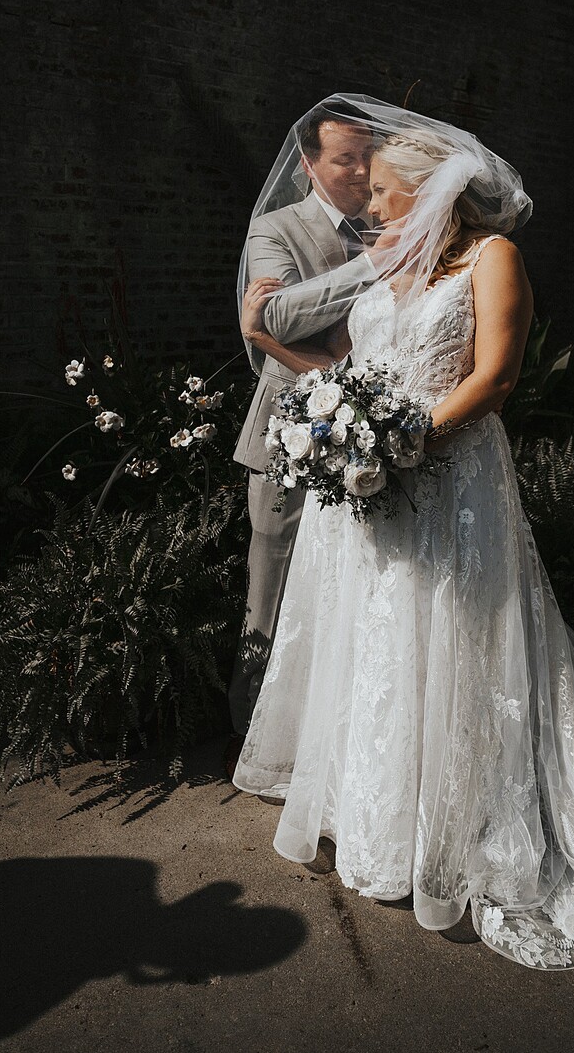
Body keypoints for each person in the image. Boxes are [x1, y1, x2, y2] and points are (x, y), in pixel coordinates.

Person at [233, 95, 574, 1053]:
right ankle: (374, 817)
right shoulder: (391, 261)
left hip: (450, 483)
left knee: (452, 638)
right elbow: (344, 359)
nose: (371, 206)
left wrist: (403, 439)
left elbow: (494, 379)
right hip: (374, 493)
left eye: (385, 192)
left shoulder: (493, 259)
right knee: (378, 643)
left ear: (431, 193)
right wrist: (312, 394)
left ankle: (458, 829)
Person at [227, 100, 377, 767]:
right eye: (346, 160)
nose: (362, 171)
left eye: (368, 157)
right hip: (287, 438)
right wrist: (373, 267)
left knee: (346, 592)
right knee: (272, 586)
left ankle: (323, 742)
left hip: (369, 439)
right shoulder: (275, 227)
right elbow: (279, 318)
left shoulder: (389, 223)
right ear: (310, 166)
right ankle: (249, 735)